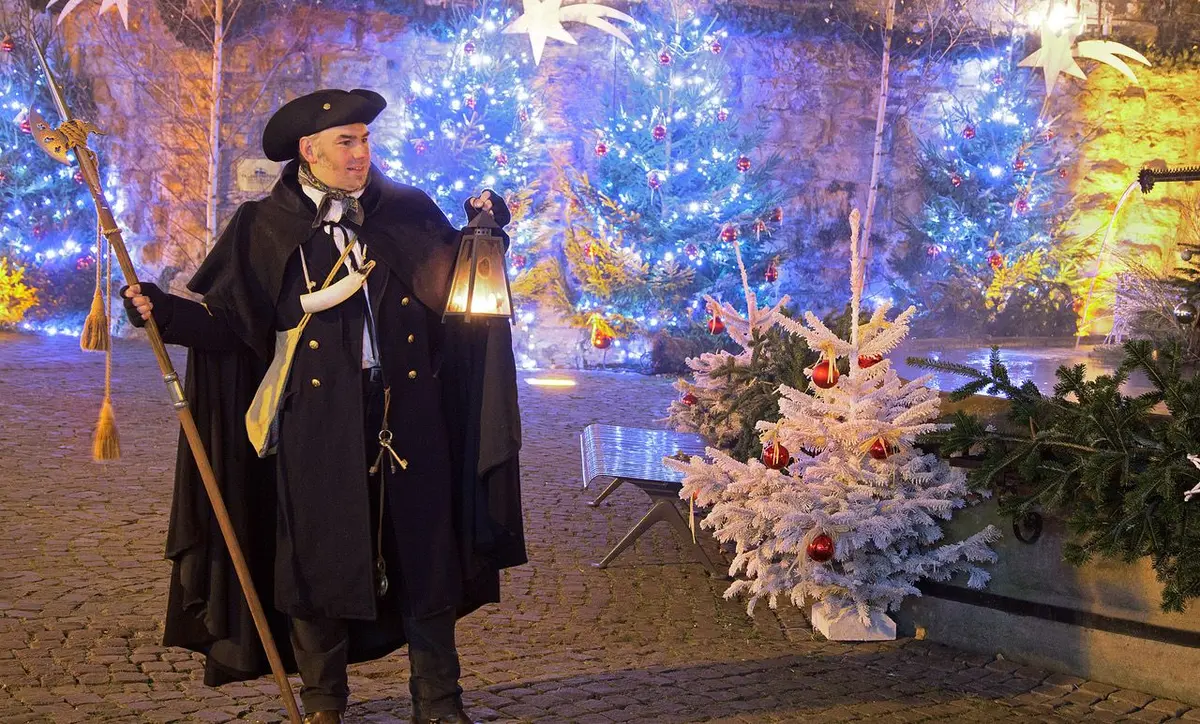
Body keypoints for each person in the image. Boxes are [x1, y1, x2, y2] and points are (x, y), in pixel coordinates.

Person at [122, 88, 526, 724]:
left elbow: (462, 301)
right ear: (309, 151)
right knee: (317, 556)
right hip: (317, 421)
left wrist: (485, 236)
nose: (362, 153)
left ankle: (439, 702)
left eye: (366, 140)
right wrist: (163, 312)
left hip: (410, 414)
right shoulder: (263, 226)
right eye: (348, 141)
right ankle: (322, 703)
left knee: (425, 550)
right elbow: (233, 327)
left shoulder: (407, 212)